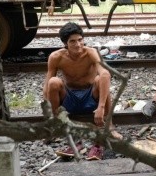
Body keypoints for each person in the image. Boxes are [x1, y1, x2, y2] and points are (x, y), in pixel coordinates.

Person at [44, 22, 118, 159]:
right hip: (70, 97)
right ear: (65, 43)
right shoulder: (56, 57)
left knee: (101, 79)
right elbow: (47, 85)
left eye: (80, 40)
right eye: (72, 41)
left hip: (90, 95)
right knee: (53, 82)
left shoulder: (91, 53)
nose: (78, 44)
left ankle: (109, 126)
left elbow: (105, 74)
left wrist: (101, 107)